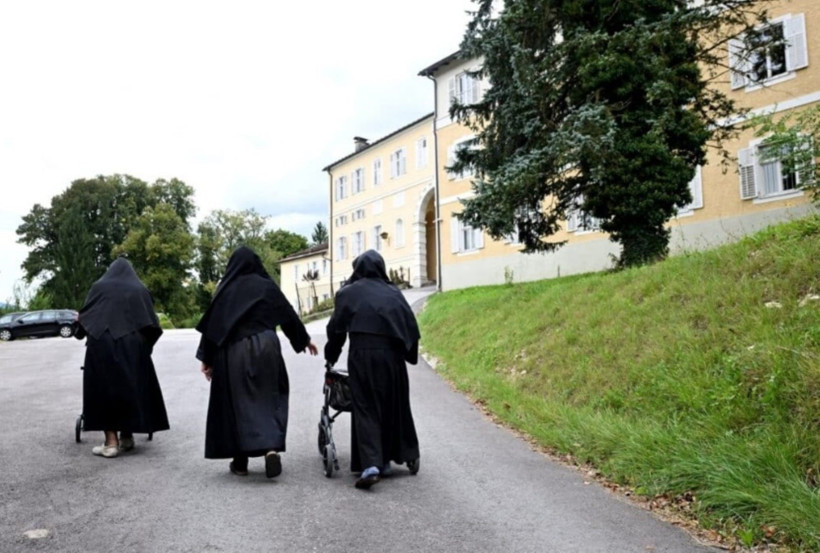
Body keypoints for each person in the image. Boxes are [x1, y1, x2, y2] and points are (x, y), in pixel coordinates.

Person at [196, 246, 318, 478]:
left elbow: (212, 327)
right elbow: (288, 314)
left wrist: (207, 359)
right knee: (269, 396)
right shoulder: (266, 286)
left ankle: (240, 462)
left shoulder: (225, 289)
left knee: (236, 402)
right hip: (267, 346)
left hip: (233, 352)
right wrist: (304, 340)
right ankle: (270, 448)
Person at [325, 249, 421, 490]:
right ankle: (393, 456)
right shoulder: (393, 292)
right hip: (392, 357)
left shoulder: (348, 293)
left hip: (362, 355)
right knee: (393, 404)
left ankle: (371, 464)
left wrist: (331, 356)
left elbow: (336, 330)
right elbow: (410, 326)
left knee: (366, 407)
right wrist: (410, 355)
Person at [75, 257, 170, 458]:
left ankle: (111, 444)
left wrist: (80, 331)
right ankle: (127, 437)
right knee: (131, 387)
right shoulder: (139, 289)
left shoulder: (99, 287)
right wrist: (145, 349)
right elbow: (152, 325)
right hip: (132, 345)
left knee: (104, 390)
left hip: (101, 344)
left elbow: (85, 317)